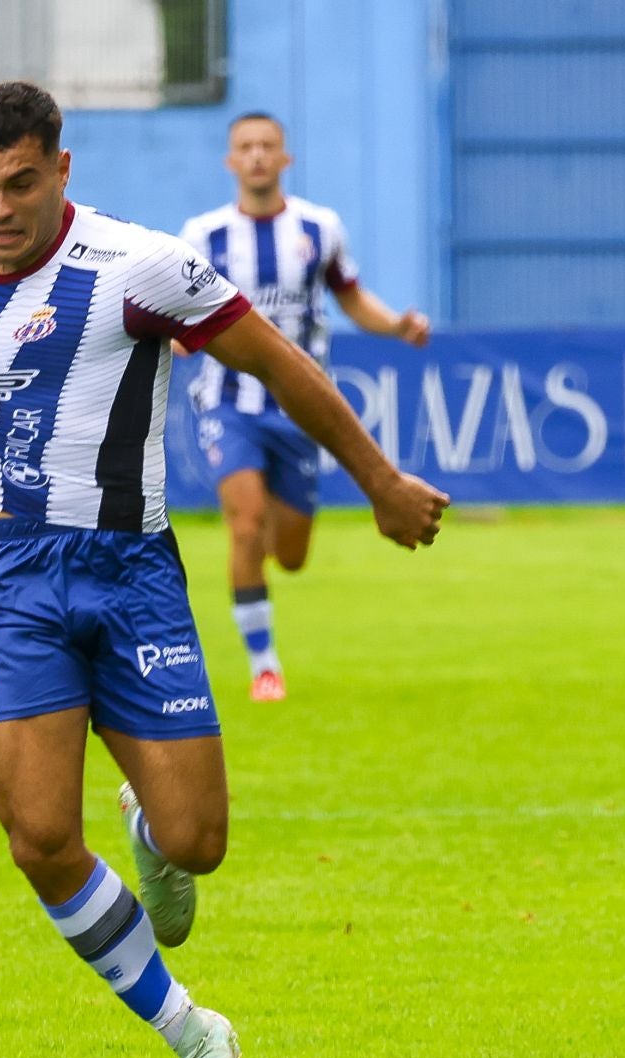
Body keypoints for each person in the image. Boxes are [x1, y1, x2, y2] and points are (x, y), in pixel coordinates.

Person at [0, 83, 448, 1058]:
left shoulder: (139, 268)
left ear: (62, 169)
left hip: (133, 574)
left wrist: (379, 482)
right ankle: (192, 1031)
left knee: (198, 840)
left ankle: (150, 834)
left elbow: (281, 365)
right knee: (39, 836)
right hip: (13, 576)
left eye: (20, 184)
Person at [180, 112, 432, 701]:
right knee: (244, 527)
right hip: (227, 399)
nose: (258, 156)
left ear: (285, 158)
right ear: (231, 161)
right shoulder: (204, 236)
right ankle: (264, 665)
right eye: (246, 146)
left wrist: (395, 325)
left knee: (289, 555)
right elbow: (180, 309)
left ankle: (265, 537)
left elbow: (351, 297)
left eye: (268, 146)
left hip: (299, 407)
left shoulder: (319, 228)